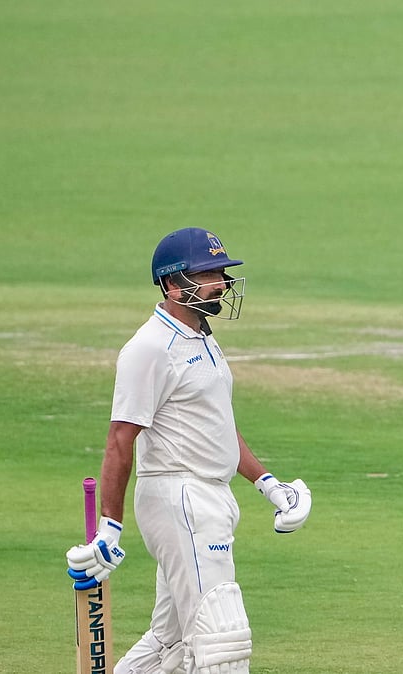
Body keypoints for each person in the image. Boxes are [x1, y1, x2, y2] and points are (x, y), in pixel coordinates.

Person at [66, 227, 313, 674]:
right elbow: (120, 439)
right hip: (180, 497)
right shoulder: (149, 348)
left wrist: (268, 484)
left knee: (173, 643)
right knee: (221, 637)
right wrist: (110, 527)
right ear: (172, 284)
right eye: (208, 274)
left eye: (221, 273)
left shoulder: (201, 337)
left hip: (210, 496)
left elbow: (218, 426)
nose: (221, 282)